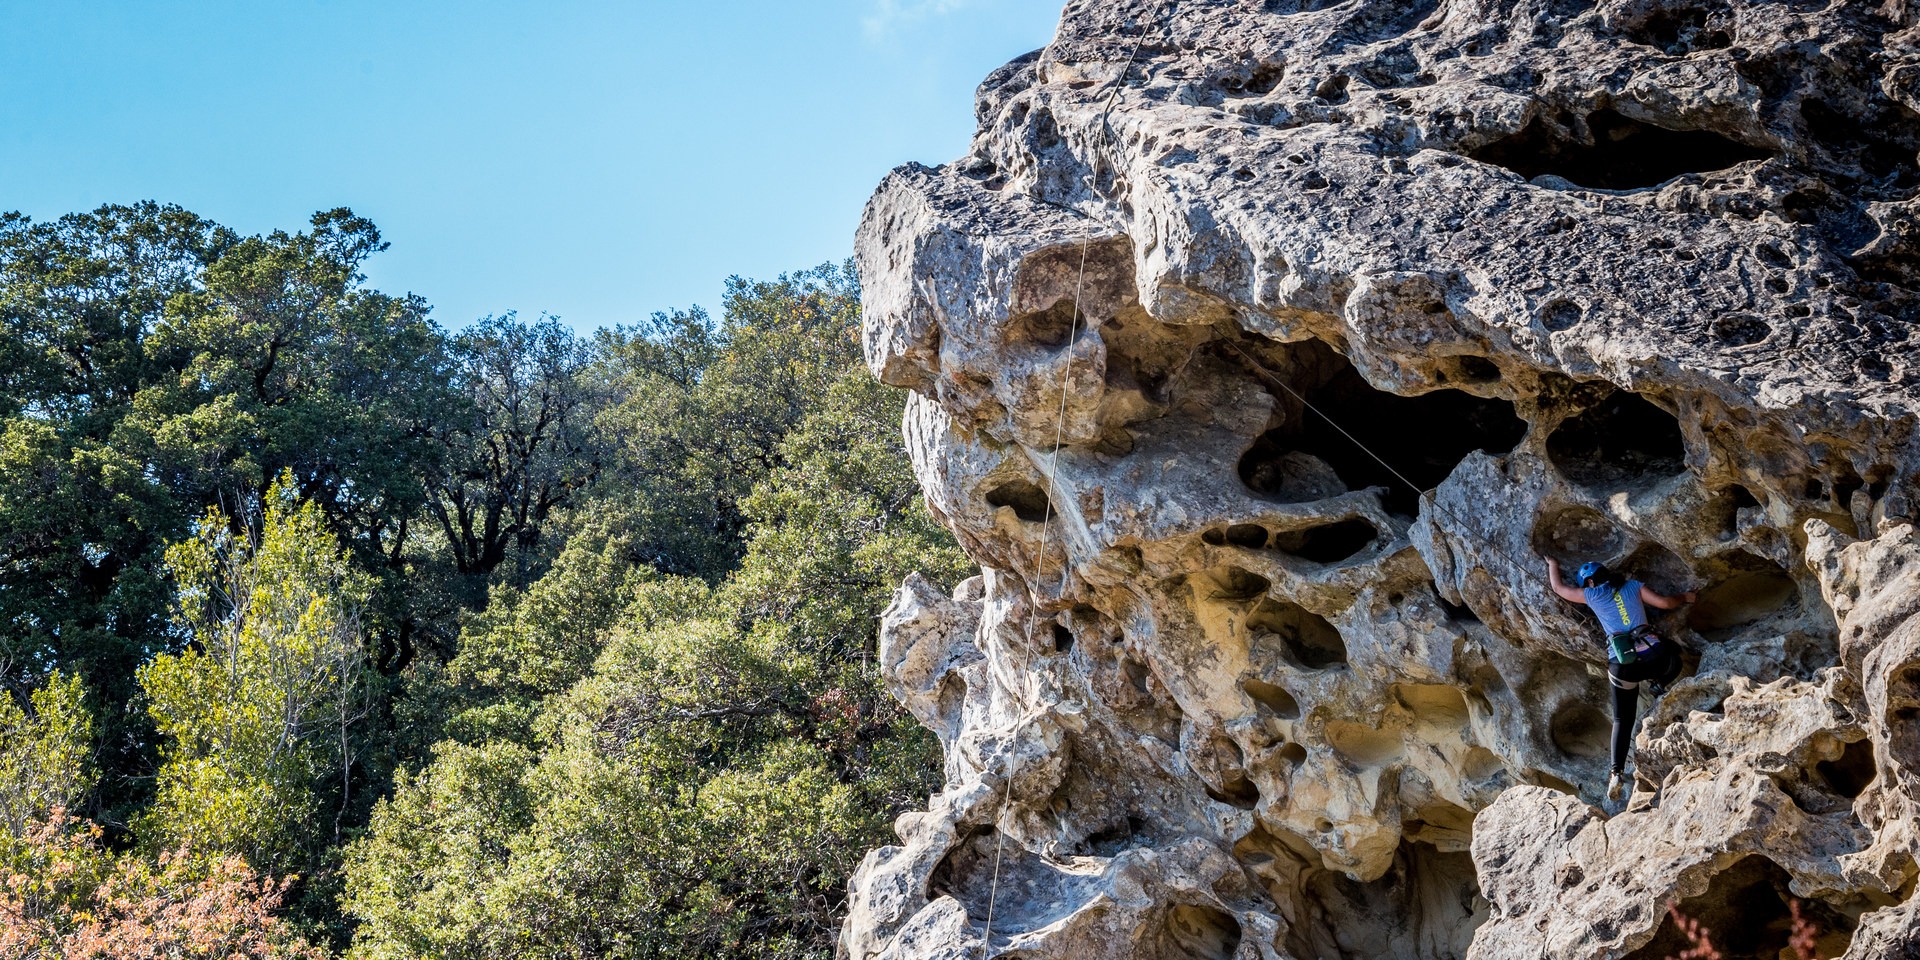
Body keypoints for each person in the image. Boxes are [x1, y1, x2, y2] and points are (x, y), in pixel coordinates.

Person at [1544, 557, 1697, 801]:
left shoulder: (1592, 595)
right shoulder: (1633, 586)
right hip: (1653, 657)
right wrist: (1685, 598)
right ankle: (1659, 684)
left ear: (1591, 582)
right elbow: (1665, 603)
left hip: (1623, 665)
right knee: (1675, 656)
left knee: (1621, 719)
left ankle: (1616, 773)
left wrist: (1553, 563)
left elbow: (1558, 589)